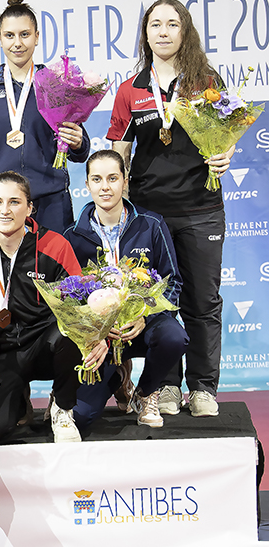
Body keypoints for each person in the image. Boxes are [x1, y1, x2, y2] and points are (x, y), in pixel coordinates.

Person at [108, 0, 233, 418]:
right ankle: (164, 386)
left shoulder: (205, 81)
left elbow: (226, 131)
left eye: (172, 24)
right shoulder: (131, 89)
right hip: (150, 217)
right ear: (145, 34)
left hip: (201, 208)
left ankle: (202, 388)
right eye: (155, 24)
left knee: (202, 301)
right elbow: (118, 155)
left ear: (185, 31)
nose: (163, 31)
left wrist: (225, 154)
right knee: (159, 304)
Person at [0, 171, 107, 445]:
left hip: (45, 346)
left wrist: (99, 337)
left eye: (14, 202)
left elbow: (83, 307)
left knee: (66, 333)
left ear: (30, 208)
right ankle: (18, 398)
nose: (5, 210)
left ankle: (62, 407)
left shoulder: (55, 245)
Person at [65, 150, 189, 430]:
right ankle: (120, 380)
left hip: (144, 325)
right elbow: (67, 298)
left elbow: (173, 281)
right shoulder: (71, 235)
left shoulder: (152, 224)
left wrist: (145, 315)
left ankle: (146, 393)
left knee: (174, 337)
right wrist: (95, 328)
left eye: (112, 178)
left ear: (125, 181)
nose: (105, 186)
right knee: (82, 417)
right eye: (97, 179)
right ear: (86, 185)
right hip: (102, 338)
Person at [0, 0, 90, 236]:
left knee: (55, 275)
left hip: (50, 201)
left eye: (24, 34)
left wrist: (77, 143)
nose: (17, 43)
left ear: (37, 37)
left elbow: (80, 150)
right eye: (9, 35)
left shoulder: (56, 83)